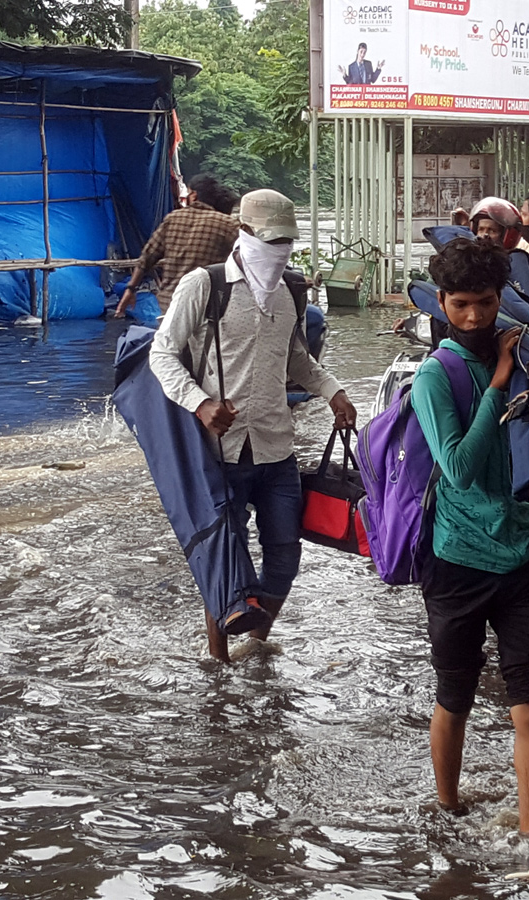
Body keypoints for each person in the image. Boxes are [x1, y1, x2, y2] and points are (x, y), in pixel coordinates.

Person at [150, 189, 358, 663]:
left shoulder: (291, 292)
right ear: (243, 233)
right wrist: (200, 403)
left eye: (287, 241)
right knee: (226, 557)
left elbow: (297, 359)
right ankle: (219, 660)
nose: (280, 250)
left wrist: (333, 391)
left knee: (285, 555)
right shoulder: (205, 285)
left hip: (275, 448)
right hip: (219, 452)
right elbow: (161, 354)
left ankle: (257, 643)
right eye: (271, 240)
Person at [411, 238, 529, 834]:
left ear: (502, 300)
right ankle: (447, 806)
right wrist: (497, 384)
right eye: (462, 304)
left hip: (523, 553)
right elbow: (459, 467)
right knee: (455, 697)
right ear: (442, 303)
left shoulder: (524, 352)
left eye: (486, 303)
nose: (474, 317)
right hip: (459, 561)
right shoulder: (434, 375)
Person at [113, 173, 239, 317]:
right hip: (206, 306)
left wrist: (130, 289)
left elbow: (146, 258)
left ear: (193, 195)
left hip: (170, 304)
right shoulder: (229, 225)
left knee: (168, 339)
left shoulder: (173, 218)